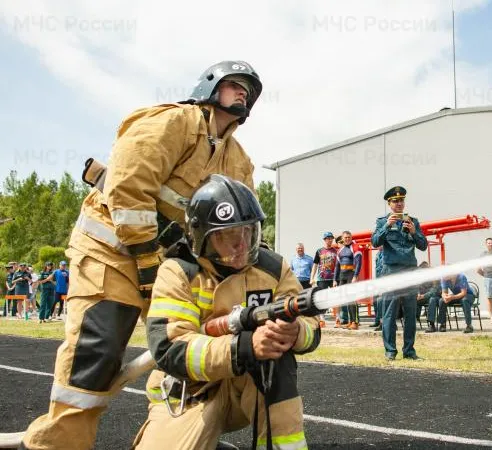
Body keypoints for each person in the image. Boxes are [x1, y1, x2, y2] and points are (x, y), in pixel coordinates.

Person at [22, 60, 264, 450]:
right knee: (96, 353)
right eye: (235, 85)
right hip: (110, 253)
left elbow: (241, 220)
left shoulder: (238, 159)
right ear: (209, 87)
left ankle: (178, 433)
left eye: (248, 92)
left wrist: (259, 267)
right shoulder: (171, 122)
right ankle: (57, 443)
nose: (242, 94)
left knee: (191, 346)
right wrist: (147, 258)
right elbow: (128, 186)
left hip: (166, 264)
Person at [131, 174, 319, 450]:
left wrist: (296, 332)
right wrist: (244, 347)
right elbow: (171, 349)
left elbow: (311, 325)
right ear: (202, 238)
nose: (241, 244)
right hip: (190, 393)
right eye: (228, 235)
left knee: (275, 355)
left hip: (247, 388)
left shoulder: (273, 268)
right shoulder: (178, 271)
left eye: (247, 231)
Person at [371, 186, 428, 360]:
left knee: (411, 313)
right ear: (389, 204)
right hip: (392, 271)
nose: (399, 203)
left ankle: (409, 351)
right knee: (389, 313)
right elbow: (375, 242)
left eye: (401, 200)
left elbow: (423, 245)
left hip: (409, 271)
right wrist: (387, 226)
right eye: (395, 201)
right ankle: (390, 351)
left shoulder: (413, 221)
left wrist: (414, 232)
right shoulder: (382, 221)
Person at [333, 231, 363, 330]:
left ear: (351, 237)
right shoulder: (340, 250)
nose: (347, 239)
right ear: (342, 238)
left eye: (349, 237)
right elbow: (337, 266)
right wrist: (335, 280)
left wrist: (355, 276)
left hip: (351, 274)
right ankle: (350, 321)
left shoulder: (355, 247)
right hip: (342, 276)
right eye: (345, 237)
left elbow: (359, 263)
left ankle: (355, 322)